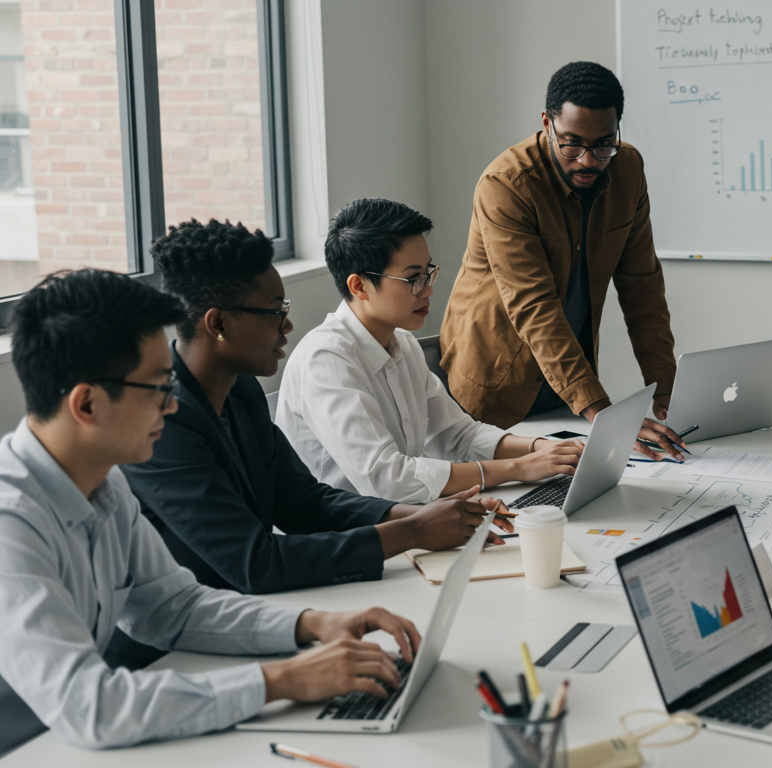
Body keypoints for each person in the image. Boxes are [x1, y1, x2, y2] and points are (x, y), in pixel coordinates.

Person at [0, 269, 429, 749]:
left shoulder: (105, 483)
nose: (171, 406)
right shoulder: (10, 523)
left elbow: (174, 607)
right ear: (87, 405)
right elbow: (90, 707)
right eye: (158, 388)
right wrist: (283, 680)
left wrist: (312, 624)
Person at [122, 219, 511, 597]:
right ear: (219, 323)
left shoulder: (240, 390)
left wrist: (427, 515)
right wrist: (413, 532)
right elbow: (255, 563)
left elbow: (303, 502)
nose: (287, 326)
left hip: (252, 604)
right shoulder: (162, 423)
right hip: (190, 628)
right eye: (275, 311)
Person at [438, 61, 685, 460]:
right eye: (571, 143)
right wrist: (605, 414)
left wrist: (667, 387)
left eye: (603, 144)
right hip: (496, 385)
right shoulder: (506, 185)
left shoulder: (627, 170)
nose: (587, 160)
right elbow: (534, 306)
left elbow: (643, 287)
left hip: (568, 385)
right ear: (547, 124)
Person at [276, 198, 584, 503]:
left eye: (428, 272)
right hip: (350, 529)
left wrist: (542, 449)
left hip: (403, 515)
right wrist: (518, 468)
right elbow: (388, 480)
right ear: (359, 286)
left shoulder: (403, 343)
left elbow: (457, 435)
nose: (428, 290)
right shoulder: (326, 360)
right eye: (413, 278)